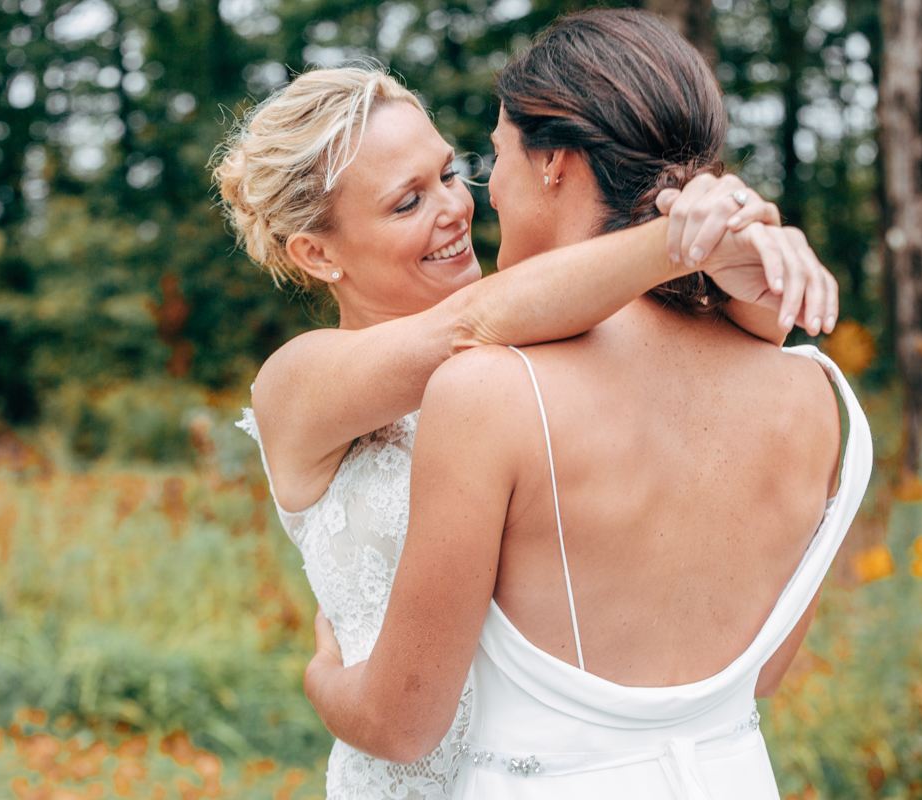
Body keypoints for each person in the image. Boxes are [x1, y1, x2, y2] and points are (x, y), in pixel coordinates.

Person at [216, 61, 837, 799]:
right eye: (407, 201)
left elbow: (681, 374)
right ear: (318, 254)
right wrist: (686, 236)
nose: (454, 207)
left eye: (450, 172)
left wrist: (745, 258)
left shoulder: (538, 355)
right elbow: (469, 325)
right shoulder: (300, 380)